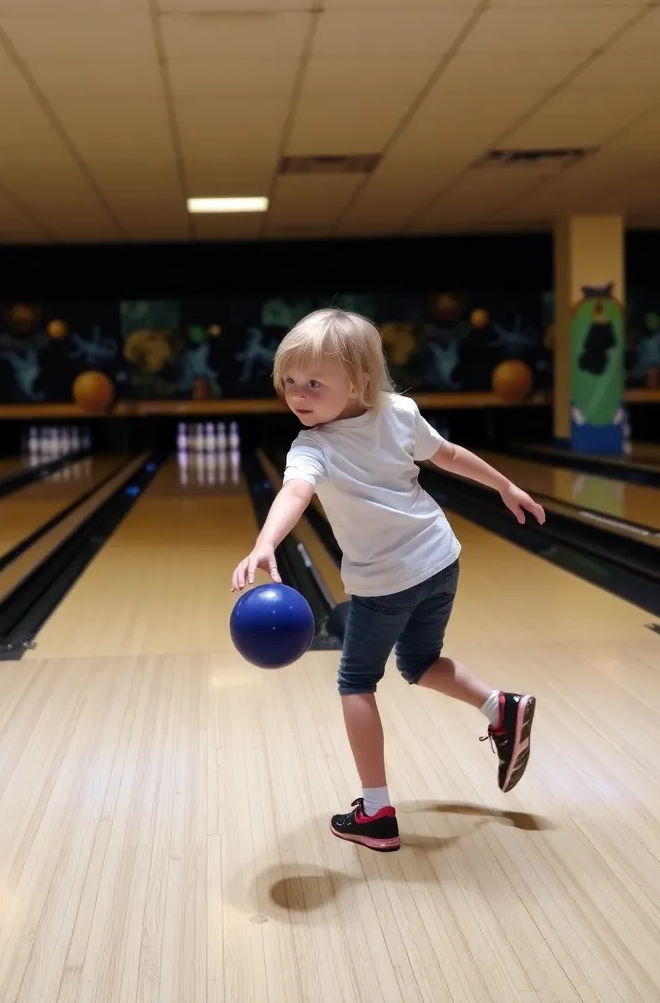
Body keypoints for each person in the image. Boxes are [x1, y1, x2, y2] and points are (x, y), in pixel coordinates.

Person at [231, 308, 546, 853]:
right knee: (419, 663)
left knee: (355, 683)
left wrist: (265, 543)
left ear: (357, 382)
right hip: (441, 561)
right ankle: (501, 707)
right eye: (289, 382)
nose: (298, 395)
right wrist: (504, 486)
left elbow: (296, 491)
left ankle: (375, 813)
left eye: (314, 384)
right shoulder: (399, 411)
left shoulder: (314, 446)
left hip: (385, 585)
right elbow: (447, 456)